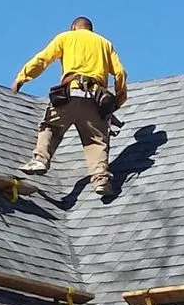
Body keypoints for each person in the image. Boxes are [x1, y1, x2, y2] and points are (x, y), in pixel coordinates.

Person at [12, 16, 128, 196]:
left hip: (70, 95)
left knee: (50, 127)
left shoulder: (66, 37)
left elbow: (42, 59)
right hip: (95, 100)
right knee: (96, 141)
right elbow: (120, 72)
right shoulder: (105, 44)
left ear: (73, 27)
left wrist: (22, 78)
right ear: (90, 29)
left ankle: (41, 160)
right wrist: (119, 99)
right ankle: (100, 180)